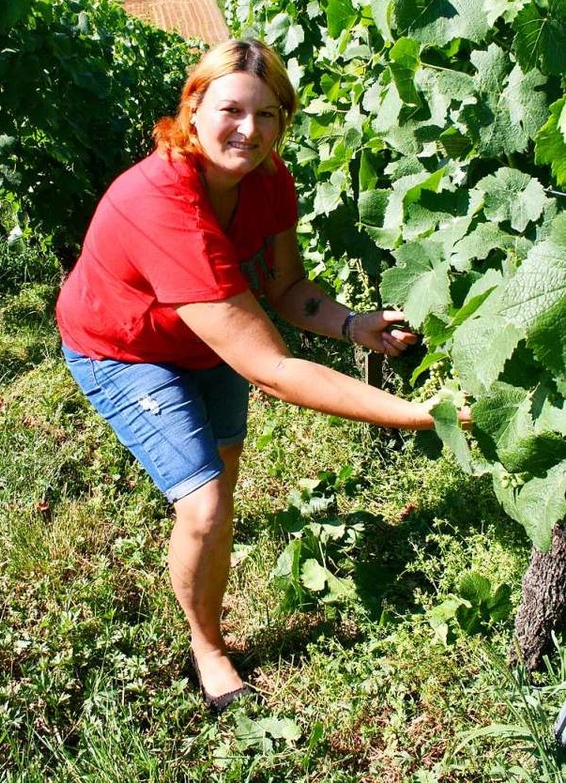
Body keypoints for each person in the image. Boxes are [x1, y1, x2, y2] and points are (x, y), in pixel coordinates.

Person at [56, 39, 468, 713]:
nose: (249, 130)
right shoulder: (159, 203)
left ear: (283, 122)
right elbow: (272, 370)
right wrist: (428, 413)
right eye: (231, 109)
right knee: (205, 504)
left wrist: (351, 323)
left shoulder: (269, 181)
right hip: (124, 349)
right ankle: (207, 647)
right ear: (193, 108)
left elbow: (286, 287)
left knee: (222, 471)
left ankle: (207, 559)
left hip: (208, 341)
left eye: (268, 114)